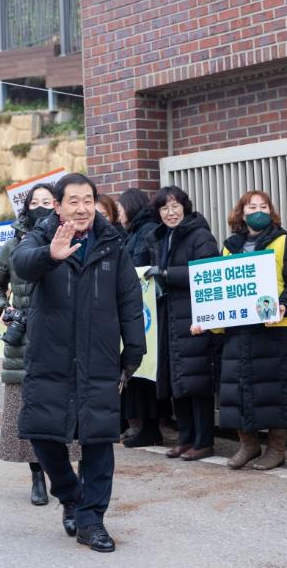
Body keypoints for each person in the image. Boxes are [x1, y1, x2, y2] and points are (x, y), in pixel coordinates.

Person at [12, 173, 145, 553]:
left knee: (99, 440)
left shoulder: (112, 243)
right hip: (49, 356)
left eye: (88, 200)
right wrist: (49, 256)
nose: (82, 207)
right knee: (44, 434)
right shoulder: (40, 237)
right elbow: (22, 264)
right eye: (73, 201)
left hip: (99, 358)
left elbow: (130, 300)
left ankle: (91, 521)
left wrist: (133, 351)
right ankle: (70, 494)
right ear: (57, 206)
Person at [197, 190, 287, 470]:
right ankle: (248, 445)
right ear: (241, 213)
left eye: (263, 206)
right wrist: (207, 318)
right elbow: (219, 290)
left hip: (275, 330)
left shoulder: (284, 242)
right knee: (238, 389)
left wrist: (284, 305)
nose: (257, 211)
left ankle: (276, 449)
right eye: (251, 206)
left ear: (271, 212)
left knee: (277, 390)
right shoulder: (229, 246)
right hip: (238, 331)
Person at [0, 183, 81, 507]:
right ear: (25, 208)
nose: (41, 207)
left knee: (63, 408)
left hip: (60, 335)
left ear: (56, 206)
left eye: (47, 201)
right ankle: (36, 475)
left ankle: (65, 477)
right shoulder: (14, 246)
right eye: (35, 202)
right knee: (27, 413)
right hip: (24, 336)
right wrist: (2, 309)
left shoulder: (72, 241)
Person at [145, 186, 220, 460]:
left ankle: (204, 441)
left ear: (185, 207)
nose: (170, 212)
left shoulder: (200, 235)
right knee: (178, 379)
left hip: (195, 315)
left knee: (197, 380)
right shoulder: (161, 237)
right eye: (164, 208)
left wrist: (166, 273)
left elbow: (207, 272)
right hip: (170, 314)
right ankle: (185, 438)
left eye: (175, 206)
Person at [118, 188, 166, 446]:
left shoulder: (145, 231)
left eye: (121, 207)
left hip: (148, 311)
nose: (119, 212)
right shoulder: (134, 232)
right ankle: (140, 426)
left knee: (145, 370)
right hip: (138, 309)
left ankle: (150, 428)